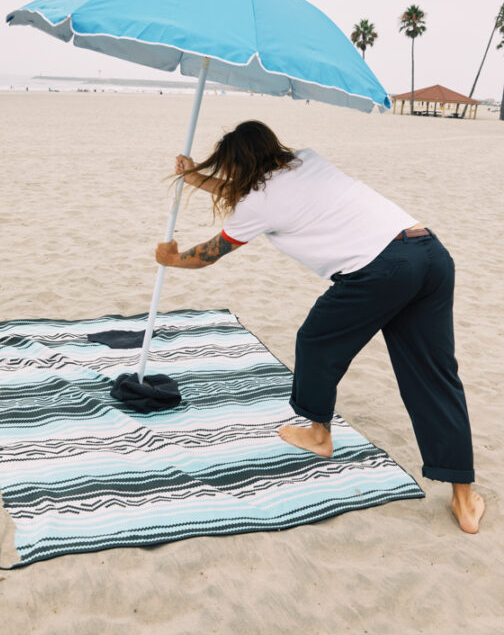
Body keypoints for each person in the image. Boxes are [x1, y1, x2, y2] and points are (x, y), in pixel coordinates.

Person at [155, 120, 485, 534]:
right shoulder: (307, 159)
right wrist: (195, 178)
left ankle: (319, 435)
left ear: (238, 164)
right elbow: (254, 196)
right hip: (430, 253)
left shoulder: (257, 201)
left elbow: (209, 253)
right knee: (435, 376)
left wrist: (172, 259)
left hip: (382, 270)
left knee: (315, 343)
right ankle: (464, 498)